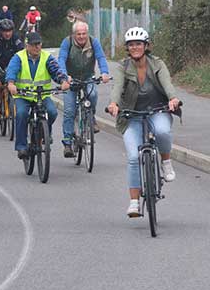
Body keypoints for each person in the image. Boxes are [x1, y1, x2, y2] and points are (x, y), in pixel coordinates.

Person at [106, 27, 181, 218]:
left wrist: (173, 98)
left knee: (163, 132)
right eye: (131, 45)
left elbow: (167, 83)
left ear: (146, 46)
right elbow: (117, 86)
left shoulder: (157, 64)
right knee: (133, 157)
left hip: (158, 111)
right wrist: (114, 103)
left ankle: (166, 162)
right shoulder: (123, 66)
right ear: (127, 48)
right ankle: (134, 202)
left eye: (138, 44)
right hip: (132, 115)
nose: (135, 47)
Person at [6, 32, 69, 159]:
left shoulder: (47, 57)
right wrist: (11, 83)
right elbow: (11, 71)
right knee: (21, 114)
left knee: (52, 112)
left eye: (39, 44)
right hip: (23, 95)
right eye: (34, 45)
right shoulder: (19, 57)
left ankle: (45, 133)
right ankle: (22, 146)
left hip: (42, 95)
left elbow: (56, 70)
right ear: (27, 45)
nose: (37, 47)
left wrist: (63, 81)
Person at [58, 20, 111, 157]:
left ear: (87, 33)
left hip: (88, 77)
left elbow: (101, 57)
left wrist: (104, 72)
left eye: (84, 33)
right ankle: (68, 142)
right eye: (78, 34)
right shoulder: (67, 42)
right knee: (69, 110)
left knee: (92, 95)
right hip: (71, 79)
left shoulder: (94, 42)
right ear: (74, 34)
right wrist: (64, 76)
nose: (81, 36)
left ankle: (91, 117)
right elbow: (61, 59)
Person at [0, 19, 24, 119]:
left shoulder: (16, 38)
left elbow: (22, 51)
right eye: (5, 31)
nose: (7, 34)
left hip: (13, 66)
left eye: (9, 31)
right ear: (1, 31)